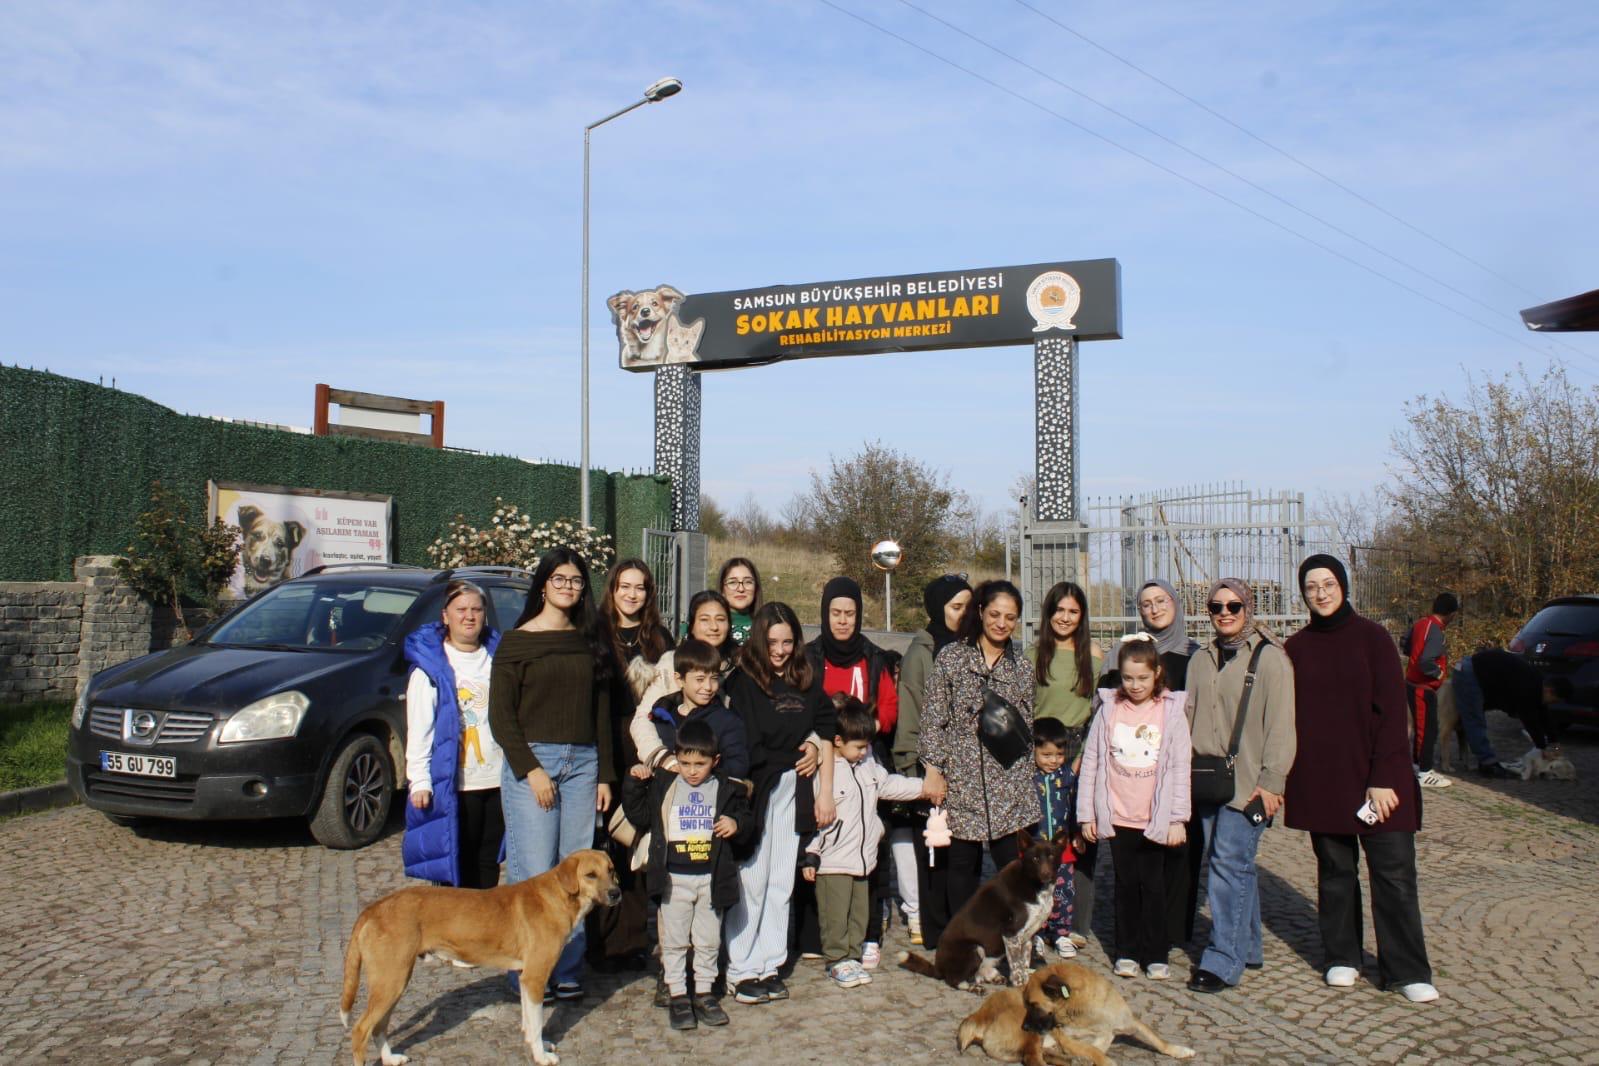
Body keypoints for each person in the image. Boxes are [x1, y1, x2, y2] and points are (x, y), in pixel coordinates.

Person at [1284, 555, 1438, 1003]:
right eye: (1311, 587)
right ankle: (1342, 956)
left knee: (1394, 874)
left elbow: (1392, 712)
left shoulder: (1373, 639)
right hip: (1325, 779)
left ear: (1343, 585)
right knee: (1335, 872)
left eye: (1328, 584)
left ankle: (1406, 970)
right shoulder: (1296, 648)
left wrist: (1385, 775)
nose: (1321, 593)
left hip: (1379, 779)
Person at [489, 547, 613, 1003]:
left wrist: (604, 774)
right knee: (535, 871)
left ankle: (567, 968)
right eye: (559, 579)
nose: (568, 587)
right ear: (543, 585)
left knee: (580, 873)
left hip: (583, 764)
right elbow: (501, 717)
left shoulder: (589, 640)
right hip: (533, 763)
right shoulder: (516, 641)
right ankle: (524, 971)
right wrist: (531, 770)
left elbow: (601, 712)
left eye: (576, 580)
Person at [722, 602, 837, 1006]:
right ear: (759, 640)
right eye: (772, 642)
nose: (780, 650)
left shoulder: (804, 677)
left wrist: (814, 746)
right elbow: (750, 744)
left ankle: (770, 963)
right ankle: (741, 968)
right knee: (752, 881)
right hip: (758, 790)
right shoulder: (743, 682)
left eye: (788, 642)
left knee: (781, 881)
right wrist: (799, 749)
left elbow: (826, 723)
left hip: (793, 789)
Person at [1184, 578, 1296, 995]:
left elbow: (1282, 725)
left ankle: (1222, 959)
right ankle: (1247, 947)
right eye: (1216, 606)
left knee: (1228, 864)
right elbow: (1187, 718)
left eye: (1233, 605)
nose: (1225, 613)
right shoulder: (1200, 659)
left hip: (1249, 782)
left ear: (1248, 608)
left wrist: (1272, 782)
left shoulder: (1270, 659)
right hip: (1208, 779)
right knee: (1230, 863)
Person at [622, 719, 753, 1030]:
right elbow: (640, 815)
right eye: (685, 763)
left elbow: (747, 819)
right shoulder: (665, 785)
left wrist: (736, 824)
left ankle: (704, 992)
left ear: (714, 761)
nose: (692, 771)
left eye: (700, 764)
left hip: (710, 879)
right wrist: (634, 782)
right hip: (673, 880)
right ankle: (678, 994)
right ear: (676, 758)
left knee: (708, 940)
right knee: (674, 941)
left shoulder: (725, 788)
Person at [919, 579, 1037, 919]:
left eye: (1010, 617)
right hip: (962, 782)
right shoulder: (952, 658)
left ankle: (1013, 937)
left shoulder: (1021, 668)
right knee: (961, 870)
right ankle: (965, 938)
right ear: (982, 612)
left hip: (1009, 785)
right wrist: (934, 769)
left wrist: (1024, 777)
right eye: (995, 614)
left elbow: (1028, 726)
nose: (1002, 623)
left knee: (1012, 871)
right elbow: (933, 718)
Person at [1077, 636, 1191, 980]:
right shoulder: (1109, 709)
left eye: (1142, 678)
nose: (1135, 685)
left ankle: (1155, 952)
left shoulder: (1170, 712)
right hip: (1118, 813)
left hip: (1154, 815)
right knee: (1125, 884)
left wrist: (1177, 818)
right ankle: (1126, 950)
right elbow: (1092, 761)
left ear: (1157, 674)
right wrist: (1087, 814)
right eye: (1128, 678)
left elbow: (1180, 766)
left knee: (1153, 886)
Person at [803, 576, 900, 968]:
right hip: (822, 759)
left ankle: (869, 932)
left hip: (864, 759)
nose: (843, 621)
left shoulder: (873, 658)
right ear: (825, 614)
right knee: (821, 844)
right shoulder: (810, 656)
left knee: (871, 844)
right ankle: (820, 932)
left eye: (850, 614)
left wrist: (866, 730)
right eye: (836, 613)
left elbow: (889, 707)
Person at [802, 698, 928, 989]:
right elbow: (813, 818)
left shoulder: (868, 764)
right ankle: (836, 959)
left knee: (859, 913)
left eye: (866, 746)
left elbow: (889, 785)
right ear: (837, 742)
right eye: (858, 747)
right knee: (836, 915)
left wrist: (923, 788)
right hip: (833, 860)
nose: (863, 752)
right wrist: (811, 853)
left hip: (863, 859)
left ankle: (852, 956)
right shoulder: (826, 770)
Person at [591, 559, 675, 964]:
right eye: (624, 586)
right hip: (605, 746)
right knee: (605, 843)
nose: (631, 594)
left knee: (639, 838)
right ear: (612, 590)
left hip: (645, 747)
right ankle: (602, 942)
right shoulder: (595, 633)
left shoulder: (659, 639)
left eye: (639, 587)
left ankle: (632, 941)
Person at [402, 579, 505, 889]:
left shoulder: (498, 658)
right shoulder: (430, 668)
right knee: (457, 863)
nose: (469, 616)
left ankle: (484, 918)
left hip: (497, 779)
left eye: (476, 609)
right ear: (445, 616)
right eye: (461, 610)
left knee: (488, 860)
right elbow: (420, 727)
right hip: (455, 783)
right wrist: (419, 779)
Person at [893, 574, 971, 951]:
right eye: (957, 607)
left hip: (968, 768)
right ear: (938, 609)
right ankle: (937, 932)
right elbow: (911, 715)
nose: (964, 615)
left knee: (964, 858)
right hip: (932, 769)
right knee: (934, 855)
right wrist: (922, 768)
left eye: (970, 607)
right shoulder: (921, 653)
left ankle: (963, 928)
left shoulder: (973, 648)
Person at [1027, 581, 1102, 947]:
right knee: (1042, 833)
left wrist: (1085, 756)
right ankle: (1037, 919)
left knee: (1080, 832)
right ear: (1049, 613)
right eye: (1059, 610)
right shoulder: (1033, 655)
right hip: (1041, 748)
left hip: (1078, 748)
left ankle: (1074, 923)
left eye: (1073, 611)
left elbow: (1101, 710)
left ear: (1082, 616)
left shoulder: (1094, 655)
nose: (1066, 618)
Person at [632, 590, 737, 762]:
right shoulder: (671, 663)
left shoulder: (738, 667)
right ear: (692, 626)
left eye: (720, 619)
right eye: (704, 620)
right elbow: (642, 719)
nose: (714, 627)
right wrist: (663, 758)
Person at [630, 637, 751, 779]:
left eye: (714, 678)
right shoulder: (661, 715)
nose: (708, 687)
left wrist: (701, 770)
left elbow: (738, 766)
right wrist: (637, 779)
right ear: (679, 680)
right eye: (700, 679)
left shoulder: (727, 721)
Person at [1449, 648, 1560, 777]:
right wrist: (1542, 747)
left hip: (1478, 672)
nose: (1552, 704)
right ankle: (1487, 764)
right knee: (1475, 720)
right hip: (1469, 672)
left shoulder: (1538, 684)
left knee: (1473, 720)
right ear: (1549, 691)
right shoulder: (1529, 686)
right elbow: (1529, 718)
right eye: (1554, 700)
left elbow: (1543, 713)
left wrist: (1554, 741)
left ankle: (1478, 759)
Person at [1031, 716, 1080, 959]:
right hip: (1036, 849)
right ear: (1033, 751)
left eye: (1059, 755)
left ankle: (1060, 933)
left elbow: (1082, 758)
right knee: (1037, 892)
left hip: (1062, 848)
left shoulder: (1066, 775)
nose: (1053, 761)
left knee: (1064, 891)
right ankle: (1037, 933)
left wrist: (1077, 832)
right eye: (1046, 755)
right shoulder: (1029, 777)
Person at [1405, 592, 1459, 789]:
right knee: (1427, 730)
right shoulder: (1436, 630)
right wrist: (1439, 673)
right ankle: (1425, 772)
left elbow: (1405, 645)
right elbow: (1426, 661)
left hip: (1412, 683)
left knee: (1424, 728)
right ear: (1451, 614)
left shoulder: (1421, 623)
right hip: (1423, 686)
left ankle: (1417, 764)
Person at [719, 557, 763, 646]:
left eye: (748, 582)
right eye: (732, 582)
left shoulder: (768, 626)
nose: (741, 589)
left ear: (756, 588)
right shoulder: (710, 628)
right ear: (722, 589)